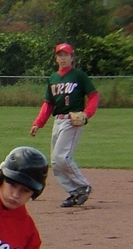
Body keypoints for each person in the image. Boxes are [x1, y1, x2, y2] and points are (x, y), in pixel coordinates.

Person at [29, 42, 100, 207]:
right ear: (56, 58)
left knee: (62, 157)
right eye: (59, 55)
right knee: (55, 163)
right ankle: (74, 192)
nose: (62, 58)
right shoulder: (53, 78)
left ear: (72, 57)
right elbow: (49, 104)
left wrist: (86, 114)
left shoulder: (79, 75)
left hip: (72, 120)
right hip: (58, 120)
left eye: (66, 55)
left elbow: (94, 96)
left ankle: (83, 186)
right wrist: (38, 123)